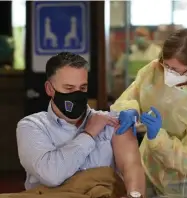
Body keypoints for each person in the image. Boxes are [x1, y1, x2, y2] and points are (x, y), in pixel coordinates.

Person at [111, 28, 187, 197]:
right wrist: (129, 109)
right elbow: (130, 96)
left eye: (177, 70)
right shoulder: (154, 70)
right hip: (151, 169)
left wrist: (158, 137)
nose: (168, 74)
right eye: (167, 66)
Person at [16, 52, 145, 197]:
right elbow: (51, 175)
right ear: (50, 89)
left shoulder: (110, 122)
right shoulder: (32, 126)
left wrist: (135, 195)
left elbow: (131, 166)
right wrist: (89, 133)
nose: (76, 95)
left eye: (82, 88)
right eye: (69, 89)